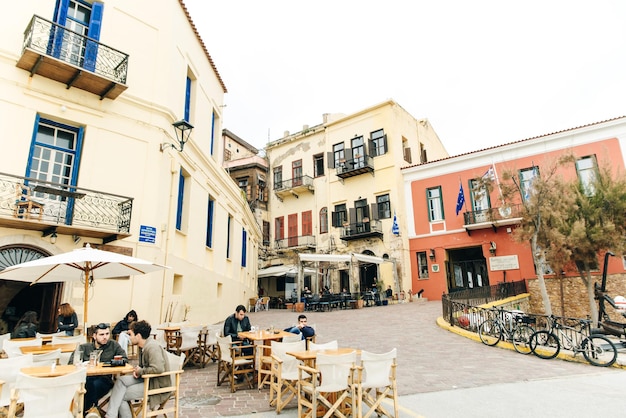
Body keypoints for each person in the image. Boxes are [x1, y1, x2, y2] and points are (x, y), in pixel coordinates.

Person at [105, 320, 170, 418]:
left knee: (120, 396)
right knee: (120, 381)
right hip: (147, 378)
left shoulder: (152, 347)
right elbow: (146, 367)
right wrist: (139, 370)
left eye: (130, 334)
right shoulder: (142, 347)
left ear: (138, 336)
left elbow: (158, 368)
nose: (129, 337)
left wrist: (140, 371)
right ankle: (111, 415)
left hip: (156, 384)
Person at [69, 322, 127, 414]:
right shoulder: (84, 347)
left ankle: (86, 412)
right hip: (85, 379)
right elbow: (71, 362)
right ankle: (91, 410)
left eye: (107, 334)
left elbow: (125, 359)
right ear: (94, 336)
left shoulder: (114, 345)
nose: (105, 337)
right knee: (86, 384)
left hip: (104, 380)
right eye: (101, 334)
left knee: (89, 387)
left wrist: (110, 363)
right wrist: (83, 364)